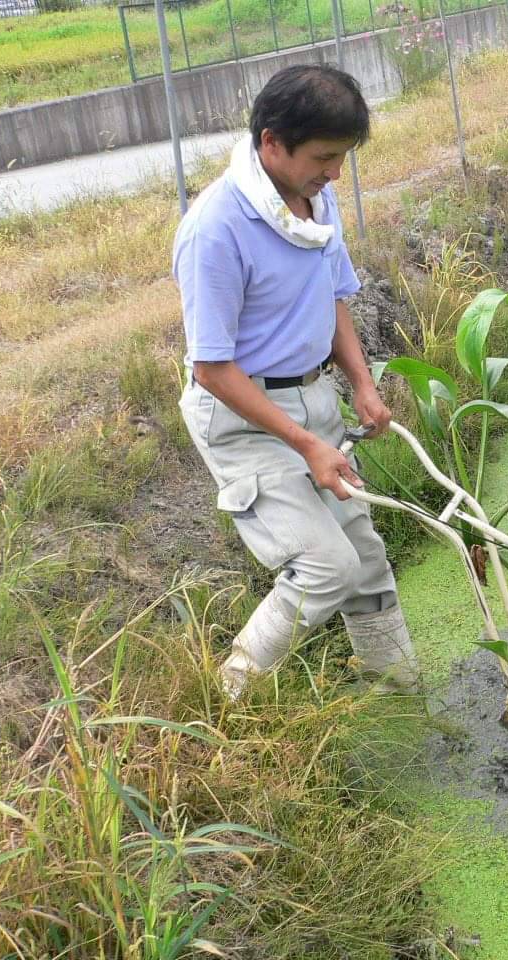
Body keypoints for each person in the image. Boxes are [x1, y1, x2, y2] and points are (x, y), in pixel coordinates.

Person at [172, 63, 419, 699]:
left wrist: (361, 383)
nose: (336, 172)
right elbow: (213, 367)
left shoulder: (313, 200)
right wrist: (304, 444)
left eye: (342, 158)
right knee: (324, 565)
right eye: (325, 156)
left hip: (315, 400)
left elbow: (332, 295)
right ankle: (230, 695)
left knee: (365, 561)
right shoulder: (216, 229)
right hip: (246, 418)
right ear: (271, 142)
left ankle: (399, 694)